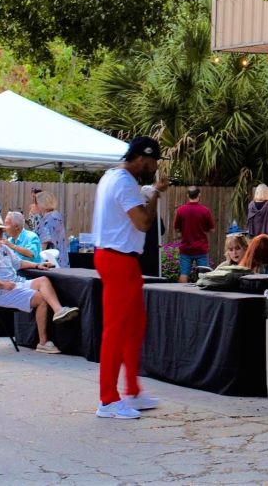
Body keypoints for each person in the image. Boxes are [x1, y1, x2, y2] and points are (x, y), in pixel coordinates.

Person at [92, 135, 169, 420]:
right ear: (142, 159)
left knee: (134, 325)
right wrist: (156, 195)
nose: (155, 166)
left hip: (116, 257)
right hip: (119, 259)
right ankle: (108, 399)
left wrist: (151, 191)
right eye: (153, 161)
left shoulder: (113, 176)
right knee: (116, 331)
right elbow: (143, 222)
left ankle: (132, 390)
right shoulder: (125, 183)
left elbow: (135, 201)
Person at [0, 218, 78, 355]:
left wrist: (37, 265)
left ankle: (58, 310)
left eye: (1, 230)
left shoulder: (3, 247)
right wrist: (1, 284)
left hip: (15, 283)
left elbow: (18, 263)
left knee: (43, 280)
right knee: (42, 298)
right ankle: (43, 342)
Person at [174, 186, 215, 282]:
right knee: (204, 275)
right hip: (201, 249)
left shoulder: (181, 210)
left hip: (186, 249)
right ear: (199, 195)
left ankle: (181, 295)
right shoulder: (205, 211)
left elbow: (176, 229)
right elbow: (212, 229)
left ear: (187, 195)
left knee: (184, 274)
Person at [35, 191, 68, 267]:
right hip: (60, 256)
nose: (36, 205)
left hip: (51, 259)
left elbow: (45, 241)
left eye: (37, 203)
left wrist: (36, 261)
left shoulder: (48, 218)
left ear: (42, 203)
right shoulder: (56, 215)